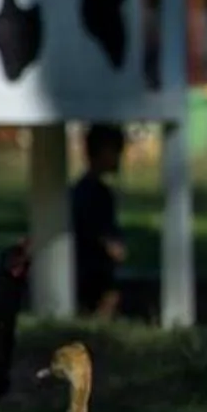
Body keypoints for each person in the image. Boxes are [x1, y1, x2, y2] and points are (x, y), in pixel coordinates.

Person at [70, 122, 128, 318]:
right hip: (90, 268)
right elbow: (96, 228)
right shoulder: (96, 193)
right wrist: (113, 246)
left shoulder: (82, 189)